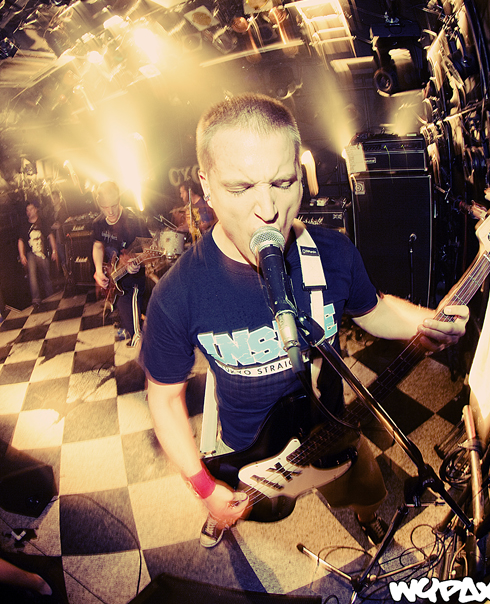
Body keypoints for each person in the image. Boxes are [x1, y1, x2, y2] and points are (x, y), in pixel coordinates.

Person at [141, 93, 469, 549]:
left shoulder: (332, 253)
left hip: (327, 426)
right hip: (249, 452)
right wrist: (204, 486)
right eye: (240, 188)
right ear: (207, 186)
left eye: (282, 181)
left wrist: (430, 321)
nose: (267, 208)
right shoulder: (178, 292)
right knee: (241, 509)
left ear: (301, 177)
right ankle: (220, 514)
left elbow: (375, 311)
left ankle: (368, 521)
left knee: (369, 490)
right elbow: (164, 398)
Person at [92, 181, 150, 347]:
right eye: (105, 207)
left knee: (136, 333)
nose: (110, 212)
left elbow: (150, 249)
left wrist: (137, 261)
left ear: (119, 199)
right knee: (127, 320)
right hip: (115, 280)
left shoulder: (133, 220)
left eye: (113, 205)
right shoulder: (98, 223)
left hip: (134, 282)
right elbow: (97, 246)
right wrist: (98, 270)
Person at [18, 200, 57, 311]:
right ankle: (36, 299)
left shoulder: (42, 222)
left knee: (46, 275)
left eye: (31, 209)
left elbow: (50, 236)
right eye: (27, 210)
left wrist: (54, 251)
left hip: (42, 253)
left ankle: (51, 296)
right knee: (32, 276)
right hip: (30, 253)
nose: (29, 212)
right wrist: (22, 255)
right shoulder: (24, 225)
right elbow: (20, 240)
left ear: (35, 209)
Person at [50, 189, 69, 277]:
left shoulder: (62, 211)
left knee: (63, 257)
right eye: (51, 198)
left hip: (60, 238)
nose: (52, 201)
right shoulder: (51, 213)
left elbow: (58, 225)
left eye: (54, 198)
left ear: (58, 198)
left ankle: (66, 275)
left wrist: (51, 226)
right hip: (54, 239)